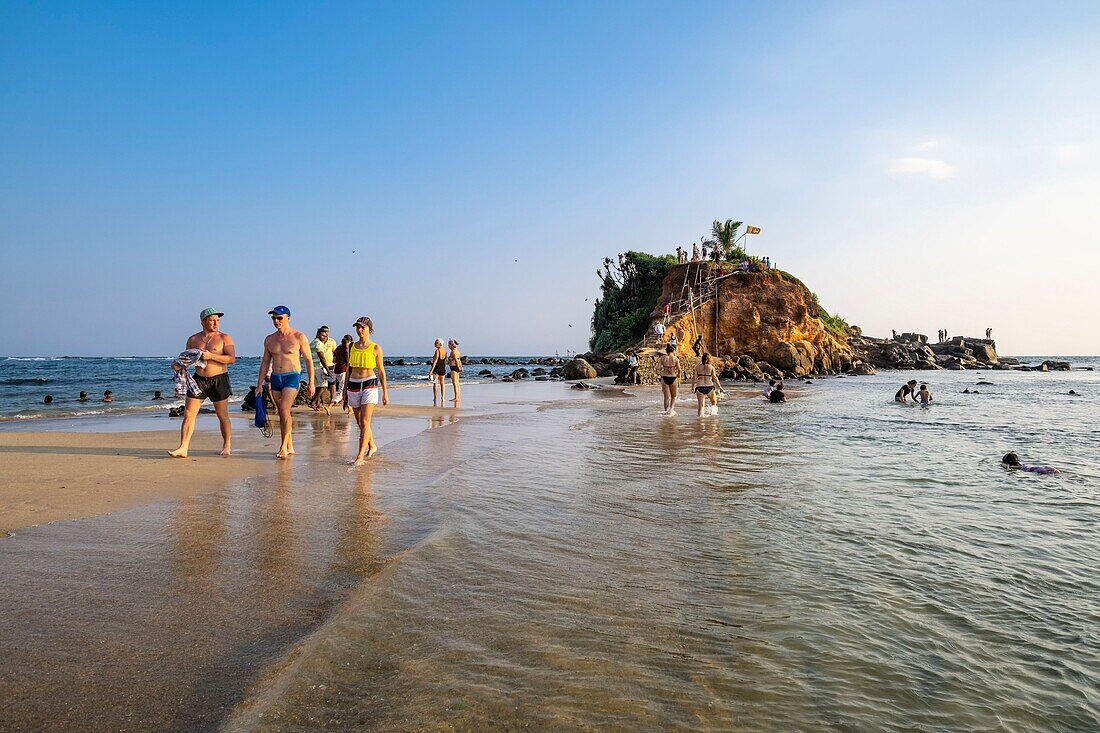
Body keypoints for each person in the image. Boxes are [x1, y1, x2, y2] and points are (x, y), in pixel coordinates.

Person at [167, 308, 237, 458]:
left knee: (222, 415)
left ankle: (227, 445)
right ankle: (183, 448)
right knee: (188, 414)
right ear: (203, 322)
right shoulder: (193, 339)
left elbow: (231, 359)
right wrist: (178, 365)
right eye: (212, 320)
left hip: (219, 379)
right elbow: (186, 359)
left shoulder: (225, 338)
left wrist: (211, 356)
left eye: (217, 320)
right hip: (198, 379)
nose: (215, 323)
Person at [257, 305, 315, 459]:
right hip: (276, 378)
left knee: (283, 409)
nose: (276, 321)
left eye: (279, 318)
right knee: (283, 413)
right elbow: (265, 362)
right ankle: (290, 445)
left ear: (288, 318)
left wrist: (311, 382)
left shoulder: (299, 337)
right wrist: (259, 384)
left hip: (292, 376)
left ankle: (283, 446)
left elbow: (309, 360)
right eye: (274, 318)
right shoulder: (269, 339)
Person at [344, 316, 389, 465]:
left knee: (365, 421)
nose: (359, 329)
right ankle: (372, 445)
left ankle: (360, 456)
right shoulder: (351, 346)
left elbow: (381, 371)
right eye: (357, 327)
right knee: (359, 422)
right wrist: (344, 391)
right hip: (353, 384)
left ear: (370, 329)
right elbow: (348, 370)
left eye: (362, 327)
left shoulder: (376, 348)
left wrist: (385, 392)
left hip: (369, 383)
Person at [310, 326, 337, 410]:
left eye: (326, 336)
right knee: (323, 386)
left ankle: (316, 405)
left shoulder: (312, 342)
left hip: (313, 367)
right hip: (319, 367)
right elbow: (321, 356)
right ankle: (313, 402)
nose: (324, 337)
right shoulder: (319, 343)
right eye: (322, 335)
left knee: (318, 385)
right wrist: (327, 370)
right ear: (318, 334)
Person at [658, 343, 680, 415]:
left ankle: (666, 411)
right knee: (674, 396)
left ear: (666, 351)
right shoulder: (675, 359)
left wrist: (664, 368)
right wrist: (679, 378)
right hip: (673, 377)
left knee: (666, 397)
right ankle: (671, 410)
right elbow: (679, 370)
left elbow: (657, 367)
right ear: (673, 351)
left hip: (664, 377)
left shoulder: (662, 358)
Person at [333, 334, 352, 410]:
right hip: (344, 370)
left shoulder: (338, 348)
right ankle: (332, 404)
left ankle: (346, 404)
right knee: (343, 388)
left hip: (337, 370)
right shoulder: (346, 349)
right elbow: (348, 361)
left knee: (343, 387)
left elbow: (333, 360)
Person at [429, 338, 448, 406]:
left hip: (437, 369)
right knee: (442, 383)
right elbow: (445, 361)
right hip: (442, 368)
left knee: (435, 383)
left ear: (439, 344)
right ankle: (443, 397)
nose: (434, 344)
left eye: (436, 343)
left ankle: (435, 397)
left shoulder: (437, 351)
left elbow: (435, 361)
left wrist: (431, 370)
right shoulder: (445, 351)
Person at [447, 339, 463, 406]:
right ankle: (458, 397)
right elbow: (459, 360)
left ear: (451, 345)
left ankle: (456, 397)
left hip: (454, 367)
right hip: (456, 367)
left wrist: (459, 367)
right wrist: (460, 367)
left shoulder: (454, 352)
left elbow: (457, 360)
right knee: (457, 383)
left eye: (449, 344)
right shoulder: (456, 351)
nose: (448, 346)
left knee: (455, 383)